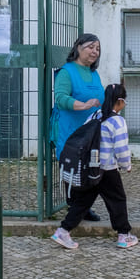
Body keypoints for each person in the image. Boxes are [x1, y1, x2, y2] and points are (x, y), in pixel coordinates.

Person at [52, 84, 137, 249]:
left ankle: (63, 230)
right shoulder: (117, 121)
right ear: (119, 101)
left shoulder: (95, 115)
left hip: (90, 167)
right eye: (124, 101)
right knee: (117, 200)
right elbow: (121, 148)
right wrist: (126, 165)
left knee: (83, 201)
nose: (125, 104)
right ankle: (124, 234)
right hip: (107, 169)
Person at [52, 33, 105, 221]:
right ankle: (74, 207)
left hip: (90, 131)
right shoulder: (67, 72)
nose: (95, 52)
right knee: (72, 167)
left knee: (89, 167)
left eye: (97, 48)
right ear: (78, 47)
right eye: (91, 47)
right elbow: (60, 98)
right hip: (71, 130)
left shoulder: (93, 73)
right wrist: (82, 105)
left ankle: (83, 207)